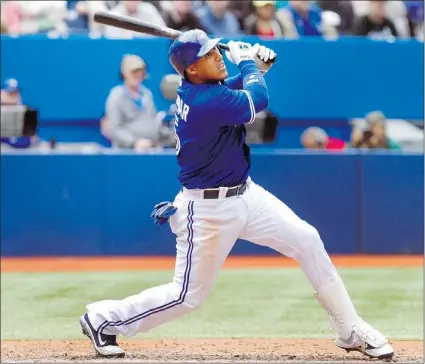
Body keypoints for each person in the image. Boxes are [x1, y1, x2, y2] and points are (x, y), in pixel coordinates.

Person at [79, 30, 394, 360]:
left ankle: (350, 329)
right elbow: (257, 100)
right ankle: (103, 320)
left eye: (215, 49)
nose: (217, 55)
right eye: (207, 55)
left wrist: (257, 68)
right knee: (187, 296)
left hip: (246, 195)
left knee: (307, 239)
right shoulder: (203, 101)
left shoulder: (206, 91)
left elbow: (237, 91)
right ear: (192, 71)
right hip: (207, 211)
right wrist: (247, 63)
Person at [103, 54, 162, 151]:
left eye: (140, 71)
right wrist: (134, 142)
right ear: (124, 73)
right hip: (126, 153)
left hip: (150, 150)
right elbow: (113, 128)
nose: (138, 75)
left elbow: (152, 120)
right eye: (134, 72)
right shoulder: (116, 96)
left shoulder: (147, 94)